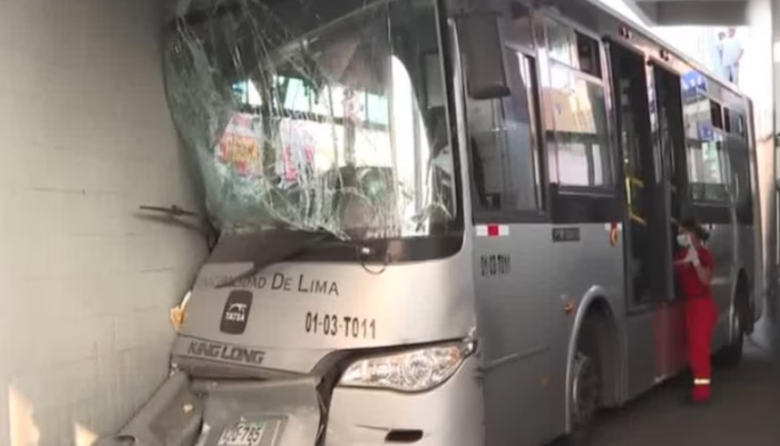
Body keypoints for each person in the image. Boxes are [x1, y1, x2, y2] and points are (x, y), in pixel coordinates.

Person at [674, 218, 718, 404]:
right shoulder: (681, 254)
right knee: (693, 351)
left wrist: (696, 262)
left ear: (694, 234)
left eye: (684, 232)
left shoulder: (704, 254)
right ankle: (698, 389)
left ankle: (702, 393)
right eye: (680, 232)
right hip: (690, 306)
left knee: (700, 350)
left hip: (703, 306)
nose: (681, 236)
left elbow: (706, 280)